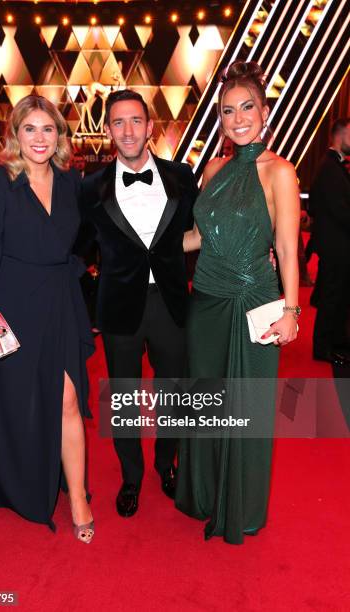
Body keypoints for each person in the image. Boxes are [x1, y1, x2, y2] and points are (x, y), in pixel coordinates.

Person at [175, 61, 300, 544]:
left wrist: (291, 309)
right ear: (221, 119)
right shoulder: (213, 169)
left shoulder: (280, 172)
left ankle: (239, 507)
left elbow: (287, 247)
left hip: (255, 303)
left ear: (264, 111)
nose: (238, 118)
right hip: (204, 301)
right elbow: (197, 237)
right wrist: (144, 244)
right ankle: (204, 494)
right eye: (229, 111)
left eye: (247, 107)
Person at [0, 95, 95, 543]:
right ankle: (20, 480)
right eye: (30, 129)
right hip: (14, 305)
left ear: (60, 135)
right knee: (20, 403)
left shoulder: (71, 182)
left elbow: (89, 240)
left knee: (67, 400)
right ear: (14, 135)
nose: (40, 138)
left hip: (59, 302)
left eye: (48, 129)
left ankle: (77, 496)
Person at [82, 89, 199, 517]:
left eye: (136, 121)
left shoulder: (181, 176)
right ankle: (131, 476)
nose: (128, 130)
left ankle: (166, 465)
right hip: (119, 309)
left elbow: (200, 232)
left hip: (170, 303)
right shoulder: (91, 186)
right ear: (108, 129)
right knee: (125, 399)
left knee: (174, 394)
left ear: (151, 127)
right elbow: (78, 249)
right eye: (118, 122)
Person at [309, 118, 350, 365]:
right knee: (332, 297)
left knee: (337, 296)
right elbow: (341, 211)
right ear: (340, 135)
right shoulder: (329, 168)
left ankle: (335, 342)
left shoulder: (334, 167)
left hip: (337, 246)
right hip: (336, 247)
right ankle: (324, 347)